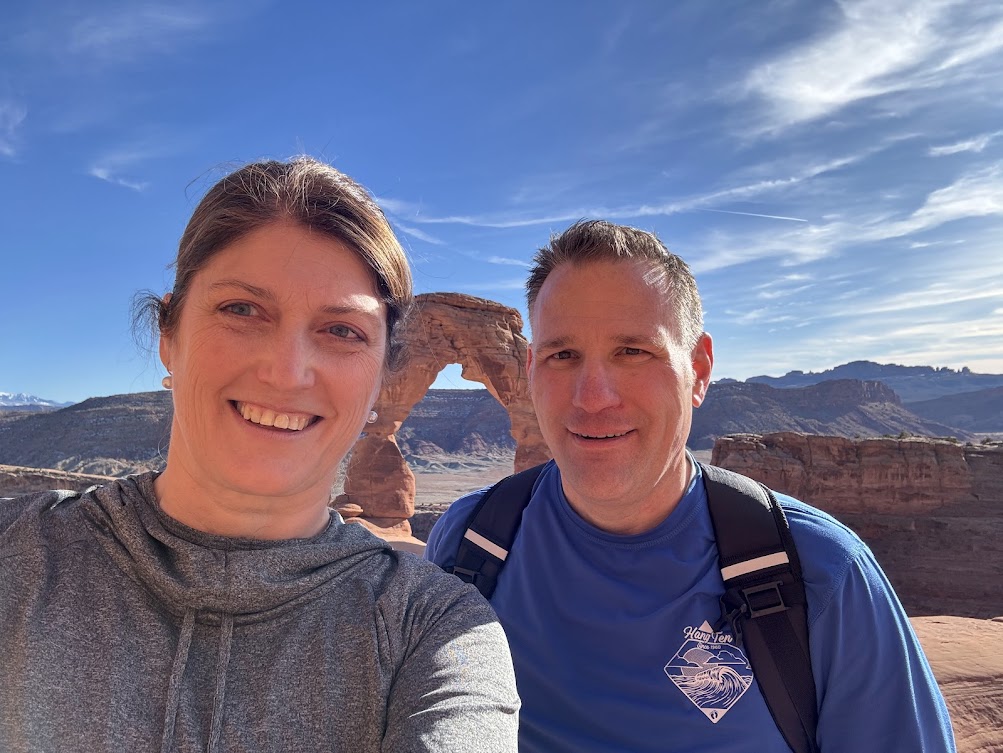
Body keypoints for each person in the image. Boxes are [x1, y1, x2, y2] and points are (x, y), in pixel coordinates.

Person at [0, 157, 519, 752]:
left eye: (342, 330)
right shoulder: (17, 553)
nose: (286, 372)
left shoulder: (432, 631)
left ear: (381, 377)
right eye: (242, 309)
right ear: (169, 336)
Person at [426, 219, 956, 752]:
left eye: (633, 351)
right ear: (531, 370)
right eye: (563, 355)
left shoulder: (818, 574)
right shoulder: (468, 547)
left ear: (698, 370)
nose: (592, 397)